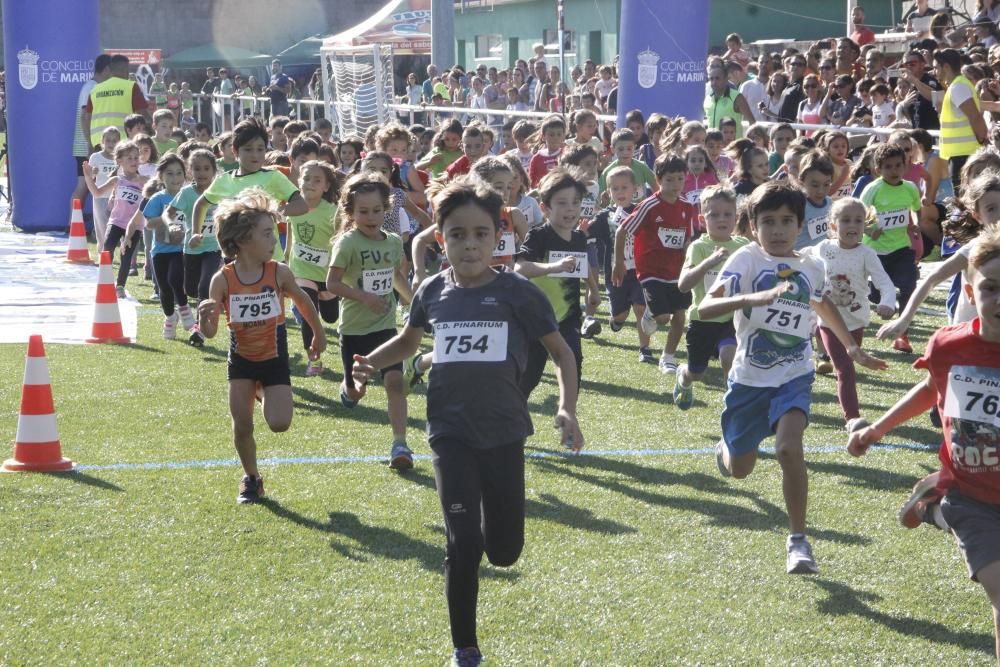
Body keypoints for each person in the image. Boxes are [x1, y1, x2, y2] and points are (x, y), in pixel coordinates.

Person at [352, 177, 582, 667]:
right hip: (449, 433)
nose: (470, 244)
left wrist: (567, 408)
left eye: (481, 234)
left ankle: (488, 532)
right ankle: (465, 648)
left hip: (504, 433)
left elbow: (561, 354)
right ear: (441, 239)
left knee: (503, 550)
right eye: (458, 234)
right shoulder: (433, 290)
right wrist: (370, 361)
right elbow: (410, 343)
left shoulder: (518, 293)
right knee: (463, 542)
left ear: (498, 238)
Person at [699, 181, 886, 575]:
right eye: (769, 222)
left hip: (794, 375)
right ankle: (727, 450)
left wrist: (851, 348)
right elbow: (706, 306)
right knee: (740, 469)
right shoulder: (746, 261)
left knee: (789, 448)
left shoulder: (810, 266)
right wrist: (752, 298)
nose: (779, 230)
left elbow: (821, 302)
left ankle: (798, 541)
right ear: (752, 227)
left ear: (801, 224)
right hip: (749, 379)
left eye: (787, 221)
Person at [848, 225, 1000, 663]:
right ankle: (938, 503)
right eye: (991, 288)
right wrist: (877, 428)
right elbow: (932, 388)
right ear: (971, 290)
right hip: (972, 498)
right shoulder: (950, 345)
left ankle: (928, 505)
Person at [197, 188, 325, 504]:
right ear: (242, 241)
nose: (274, 241)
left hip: (274, 357)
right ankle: (251, 478)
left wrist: (318, 334)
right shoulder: (223, 279)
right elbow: (212, 333)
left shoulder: (278, 272)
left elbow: (303, 300)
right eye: (267, 234)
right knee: (242, 425)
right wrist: (205, 319)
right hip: (241, 359)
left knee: (279, 424)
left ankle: (263, 389)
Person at [325, 172, 414, 469]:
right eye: (363, 211)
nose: (371, 216)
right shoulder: (347, 243)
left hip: (386, 327)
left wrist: (414, 301)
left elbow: (395, 276)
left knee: (395, 382)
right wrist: (364, 297)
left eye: (377, 210)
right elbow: (332, 284)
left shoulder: (391, 243)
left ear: (386, 209)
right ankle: (347, 390)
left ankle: (400, 445)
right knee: (357, 390)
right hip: (354, 329)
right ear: (350, 212)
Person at [810, 197, 896, 430]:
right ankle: (852, 419)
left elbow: (885, 283)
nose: (852, 225)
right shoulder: (822, 248)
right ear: (833, 226)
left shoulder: (867, 253)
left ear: (865, 226)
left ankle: (819, 347)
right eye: (845, 220)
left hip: (856, 321)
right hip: (827, 320)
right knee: (845, 368)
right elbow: (800, 259)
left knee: (850, 363)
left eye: (858, 220)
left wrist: (888, 303)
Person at [614, 154, 696, 374]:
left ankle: (667, 357)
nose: (675, 185)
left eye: (680, 179)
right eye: (670, 179)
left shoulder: (687, 206)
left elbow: (687, 237)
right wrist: (619, 263)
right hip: (650, 270)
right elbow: (623, 230)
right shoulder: (649, 205)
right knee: (663, 317)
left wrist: (689, 257)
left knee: (680, 316)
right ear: (659, 180)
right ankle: (651, 313)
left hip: (676, 270)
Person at [515, 167, 594, 397]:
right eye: (562, 203)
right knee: (528, 378)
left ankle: (568, 414)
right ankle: (511, 415)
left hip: (567, 318)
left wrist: (594, 289)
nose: (570, 208)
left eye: (575, 202)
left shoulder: (579, 238)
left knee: (573, 363)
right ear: (545, 208)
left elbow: (582, 263)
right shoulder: (539, 236)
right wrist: (553, 267)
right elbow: (520, 268)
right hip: (536, 317)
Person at [673, 185, 750, 408]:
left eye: (727, 214)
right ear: (701, 218)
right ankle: (683, 376)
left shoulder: (743, 246)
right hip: (702, 320)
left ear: (736, 217)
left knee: (729, 357)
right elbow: (683, 286)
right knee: (697, 372)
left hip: (731, 319)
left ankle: (733, 405)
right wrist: (708, 263)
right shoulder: (699, 247)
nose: (721, 219)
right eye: (714, 215)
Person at [193, 117, 308, 264]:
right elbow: (201, 204)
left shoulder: (273, 177)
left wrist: (275, 210)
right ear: (235, 151)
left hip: (269, 260)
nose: (255, 155)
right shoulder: (224, 180)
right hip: (234, 258)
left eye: (260, 149)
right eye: (248, 149)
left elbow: (302, 205)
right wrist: (196, 233)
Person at [859, 143, 923, 353]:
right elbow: (860, 214)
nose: (894, 171)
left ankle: (902, 334)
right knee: (877, 297)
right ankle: (874, 293)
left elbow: (916, 209)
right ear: (879, 169)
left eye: (898, 166)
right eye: (888, 167)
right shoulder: (873, 189)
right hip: (876, 252)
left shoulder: (910, 188)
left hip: (902, 248)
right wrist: (870, 230)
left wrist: (916, 225)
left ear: (905, 167)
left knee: (909, 286)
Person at [286, 160, 341, 376]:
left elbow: (340, 241)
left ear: (326, 187)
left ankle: (327, 307)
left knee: (330, 316)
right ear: (299, 181)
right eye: (306, 178)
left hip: (326, 272)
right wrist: (286, 256)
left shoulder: (333, 212)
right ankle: (314, 360)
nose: (310, 183)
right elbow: (291, 233)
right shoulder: (293, 207)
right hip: (300, 270)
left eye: (317, 180)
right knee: (308, 311)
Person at [166, 148, 220, 346]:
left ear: (214, 170)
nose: (202, 173)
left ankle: (199, 329)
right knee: (191, 289)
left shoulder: (219, 191)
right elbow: (170, 212)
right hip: (191, 249)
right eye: (197, 169)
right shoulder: (187, 193)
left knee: (205, 286)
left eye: (206, 168)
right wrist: (172, 225)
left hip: (214, 248)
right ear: (190, 171)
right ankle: (196, 307)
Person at [139, 154, 196, 339]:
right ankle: (170, 318)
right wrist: (166, 219)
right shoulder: (158, 198)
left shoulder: (188, 195)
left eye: (179, 173)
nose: (175, 178)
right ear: (161, 176)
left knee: (175, 279)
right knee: (164, 287)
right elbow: (148, 223)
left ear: (185, 175)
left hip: (181, 249)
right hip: (160, 251)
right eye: (170, 173)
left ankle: (185, 309)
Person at [83, 139, 147, 298]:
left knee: (127, 255)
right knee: (107, 249)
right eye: (129, 158)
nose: (134, 161)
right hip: (117, 221)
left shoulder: (144, 181)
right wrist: (88, 177)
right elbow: (97, 193)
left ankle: (120, 286)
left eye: (136, 157)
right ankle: (104, 280)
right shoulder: (117, 180)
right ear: (119, 161)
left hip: (135, 225)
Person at [928, 49, 988, 190]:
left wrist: (982, 141)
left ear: (946, 67)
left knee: (965, 200)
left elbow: (975, 116)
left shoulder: (958, 87)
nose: (934, 71)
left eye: (936, 67)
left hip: (965, 155)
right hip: (961, 154)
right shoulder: (956, 86)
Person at [71, 54, 110, 222]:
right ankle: (73, 224)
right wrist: (89, 143)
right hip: (85, 145)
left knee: (88, 186)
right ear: (106, 70)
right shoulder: (91, 87)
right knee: (84, 186)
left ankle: (76, 224)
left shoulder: (92, 86)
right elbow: (84, 116)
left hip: (89, 144)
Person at [82, 54, 148, 151]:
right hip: (123, 143)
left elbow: (87, 118)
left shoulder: (95, 89)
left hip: (99, 144)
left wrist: (90, 143)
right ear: (125, 70)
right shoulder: (131, 87)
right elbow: (143, 116)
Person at [87, 126, 120, 247]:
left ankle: (120, 250)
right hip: (100, 196)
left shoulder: (121, 158)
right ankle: (102, 251)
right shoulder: (95, 157)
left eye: (115, 140)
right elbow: (90, 177)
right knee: (101, 226)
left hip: (118, 197)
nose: (111, 143)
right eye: (108, 140)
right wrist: (93, 172)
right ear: (102, 142)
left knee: (119, 225)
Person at [704, 66, 753, 139]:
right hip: (714, 147)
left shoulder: (737, 97)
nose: (714, 82)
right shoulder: (708, 99)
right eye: (711, 79)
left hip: (734, 147)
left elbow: (752, 122)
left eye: (717, 78)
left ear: (726, 79)